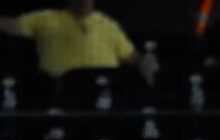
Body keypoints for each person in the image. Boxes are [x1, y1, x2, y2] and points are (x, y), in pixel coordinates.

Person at [0, 0, 156, 82]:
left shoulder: (108, 24)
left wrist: (145, 61)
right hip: (62, 93)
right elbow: (11, 25)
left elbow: (131, 56)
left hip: (103, 94)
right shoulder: (45, 18)